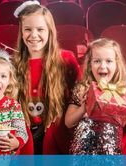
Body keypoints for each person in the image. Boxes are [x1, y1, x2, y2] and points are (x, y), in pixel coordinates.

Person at [13, 0, 80, 154]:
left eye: (40, 29)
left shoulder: (66, 59)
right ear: (21, 32)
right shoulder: (13, 63)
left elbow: (78, 96)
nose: (34, 35)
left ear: (50, 31)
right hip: (24, 134)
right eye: (27, 29)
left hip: (58, 133)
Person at [65, 38, 126, 154]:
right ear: (90, 65)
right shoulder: (82, 88)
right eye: (97, 61)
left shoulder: (122, 90)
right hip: (82, 152)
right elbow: (68, 122)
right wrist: (85, 106)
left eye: (109, 61)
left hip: (110, 153)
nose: (102, 66)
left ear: (117, 65)